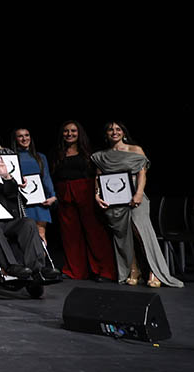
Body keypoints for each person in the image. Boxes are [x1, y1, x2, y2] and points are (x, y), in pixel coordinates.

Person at [92, 122, 183, 288]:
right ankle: (134, 270)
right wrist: (97, 195)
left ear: (124, 132)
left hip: (135, 196)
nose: (114, 132)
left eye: (118, 129)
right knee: (123, 237)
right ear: (106, 134)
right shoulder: (101, 156)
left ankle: (154, 271)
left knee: (142, 233)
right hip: (114, 199)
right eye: (110, 129)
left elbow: (142, 173)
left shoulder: (135, 150)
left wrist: (139, 193)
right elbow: (98, 177)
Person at [53, 120, 116, 281]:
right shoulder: (58, 153)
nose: (69, 134)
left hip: (85, 192)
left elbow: (98, 175)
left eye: (73, 131)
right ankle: (75, 271)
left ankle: (105, 271)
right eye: (66, 131)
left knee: (95, 233)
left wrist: (97, 193)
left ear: (79, 133)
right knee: (70, 235)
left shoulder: (89, 152)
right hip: (64, 194)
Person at [13, 128, 56, 241]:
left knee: (41, 234)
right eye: (20, 136)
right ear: (15, 139)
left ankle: (42, 253)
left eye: (27, 135)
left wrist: (52, 195)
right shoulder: (12, 157)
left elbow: (46, 177)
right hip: (23, 202)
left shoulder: (40, 157)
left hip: (40, 202)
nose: (24, 138)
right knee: (28, 237)